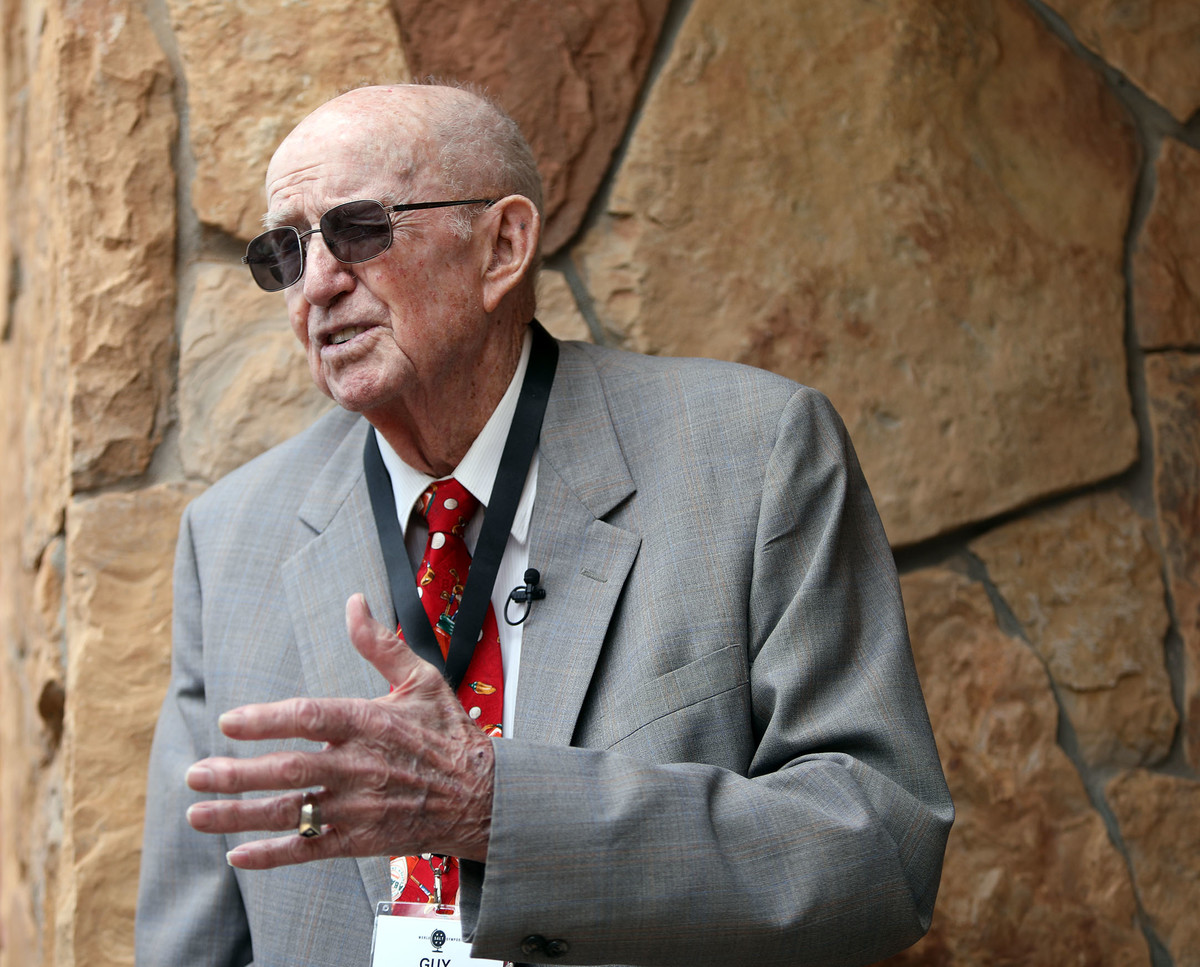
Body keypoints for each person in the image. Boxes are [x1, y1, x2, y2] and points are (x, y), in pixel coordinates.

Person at [135, 82, 952, 967]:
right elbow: (193, 939)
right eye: (286, 251)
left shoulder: (753, 456)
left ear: (502, 246)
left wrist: (498, 806)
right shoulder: (229, 539)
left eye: (358, 229)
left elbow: (881, 848)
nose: (320, 282)